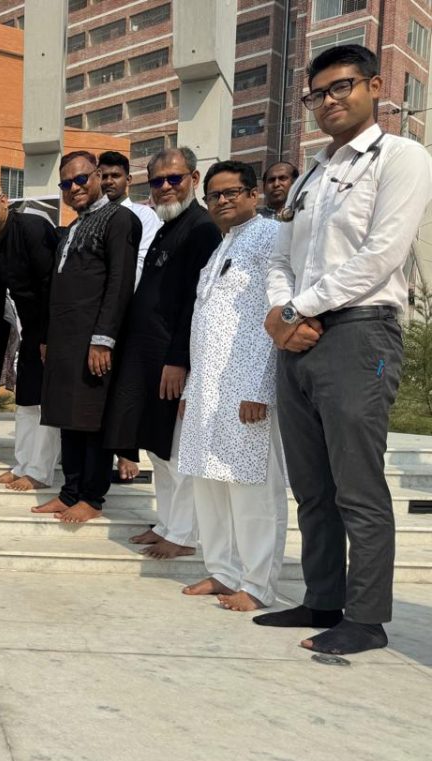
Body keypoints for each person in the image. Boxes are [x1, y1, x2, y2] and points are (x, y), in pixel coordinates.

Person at [261, 43, 432, 654]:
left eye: (342, 87)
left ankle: (366, 618)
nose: (329, 101)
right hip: (297, 339)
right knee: (311, 485)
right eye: (318, 94)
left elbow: (382, 254)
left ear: (374, 87)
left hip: (360, 333)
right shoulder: (311, 174)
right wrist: (282, 315)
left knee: (357, 485)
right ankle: (322, 598)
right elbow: (281, 256)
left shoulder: (401, 157)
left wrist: (298, 310)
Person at [102, 147, 221, 560]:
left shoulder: (202, 229)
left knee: (176, 452)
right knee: (157, 449)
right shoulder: (168, 227)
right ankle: (168, 523)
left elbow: (195, 303)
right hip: (148, 357)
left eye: (174, 179)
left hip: (172, 359)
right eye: (157, 181)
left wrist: (179, 360)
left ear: (194, 178)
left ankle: (185, 534)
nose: (166, 187)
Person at [178, 160, 286, 612]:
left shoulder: (271, 237)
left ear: (252, 194)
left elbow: (277, 315)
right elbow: (204, 325)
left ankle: (258, 584)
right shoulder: (219, 248)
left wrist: (262, 386)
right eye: (214, 195)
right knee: (208, 482)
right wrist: (190, 390)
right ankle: (222, 571)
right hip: (208, 387)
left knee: (250, 489)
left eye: (231, 192)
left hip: (247, 387)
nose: (222, 200)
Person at [35, 151, 140, 523]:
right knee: (69, 417)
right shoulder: (74, 226)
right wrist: (48, 337)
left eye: (81, 179)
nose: (74, 188)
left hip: (94, 340)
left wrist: (103, 339)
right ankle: (70, 492)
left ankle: (92, 498)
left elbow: (120, 283)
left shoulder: (119, 219)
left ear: (98, 177)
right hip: (65, 340)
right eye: (67, 183)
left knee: (92, 417)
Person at [0, 180, 60, 487]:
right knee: (26, 399)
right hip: (31, 329)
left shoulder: (32, 229)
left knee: (45, 402)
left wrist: (49, 337)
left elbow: (52, 286)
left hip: (57, 326)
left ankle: (40, 472)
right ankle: (22, 466)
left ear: (3, 200)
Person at [97, 150, 160, 288]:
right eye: (104, 176)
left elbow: (142, 263)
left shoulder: (144, 215)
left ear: (128, 179)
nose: (108, 181)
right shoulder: (93, 219)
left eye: (115, 176)